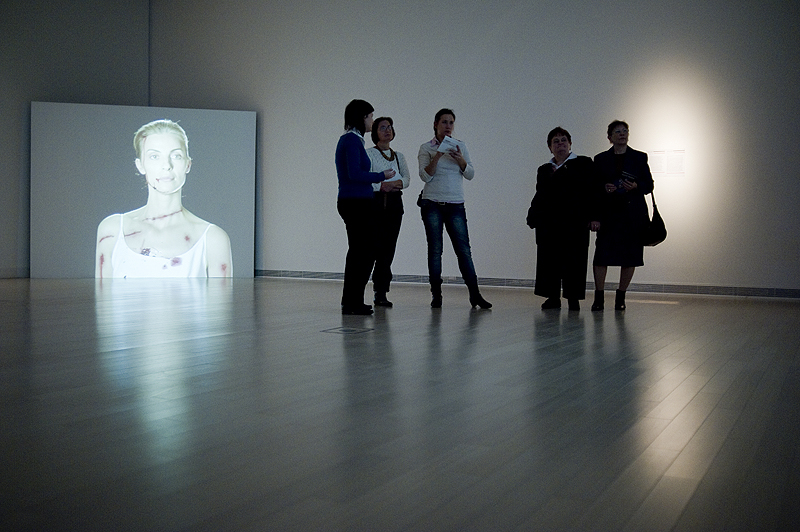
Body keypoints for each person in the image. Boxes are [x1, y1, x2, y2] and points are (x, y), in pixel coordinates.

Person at [95, 119, 232, 279]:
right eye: (154, 156)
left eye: (176, 156)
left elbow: (221, 296)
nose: (166, 165)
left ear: (188, 164)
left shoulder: (213, 239)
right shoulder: (111, 231)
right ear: (140, 165)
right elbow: (102, 294)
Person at [418, 108, 491, 309]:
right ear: (436, 124)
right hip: (432, 203)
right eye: (444, 122)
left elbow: (470, 174)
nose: (448, 126)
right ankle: (436, 295)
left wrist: (460, 159)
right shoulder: (426, 148)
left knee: (464, 250)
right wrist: (438, 156)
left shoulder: (461, 146)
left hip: (455, 204)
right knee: (435, 250)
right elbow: (425, 176)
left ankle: (475, 294)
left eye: (451, 122)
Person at [527, 127, 601, 310]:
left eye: (563, 140)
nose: (560, 144)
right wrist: (533, 215)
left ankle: (573, 298)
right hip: (549, 222)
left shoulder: (583, 163)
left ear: (570, 144)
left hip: (575, 221)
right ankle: (552, 297)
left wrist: (594, 217)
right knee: (549, 260)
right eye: (556, 141)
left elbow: (593, 191)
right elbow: (540, 194)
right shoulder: (544, 169)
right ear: (550, 147)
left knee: (574, 260)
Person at [336, 99, 396, 315]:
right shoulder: (352, 140)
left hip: (356, 201)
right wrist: (381, 175)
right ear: (362, 117)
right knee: (362, 253)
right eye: (370, 116)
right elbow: (354, 174)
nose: (372, 120)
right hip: (355, 202)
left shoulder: (352, 140)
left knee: (360, 252)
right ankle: (352, 301)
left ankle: (352, 301)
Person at [591, 120, 654, 311]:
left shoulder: (639, 157)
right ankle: (599, 297)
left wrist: (635, 186)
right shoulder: (601, 159)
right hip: (609, 214)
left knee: (630, 257)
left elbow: (649, 185)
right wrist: (604, 188)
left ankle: (621, 297)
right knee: (601, 256)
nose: (622, 134)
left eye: (625, 130)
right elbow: (594, 188)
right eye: (617, 131)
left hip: (632, 215)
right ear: (609, 137)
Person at [366, 117, 410, 308]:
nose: (387, 130)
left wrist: (395, 184)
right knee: (374, 248)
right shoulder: (369, 154)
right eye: (383, 127)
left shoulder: (399, 156)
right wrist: (381, 186)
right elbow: (367, 179)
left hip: (394, 205)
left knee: (388, 249)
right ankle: (364, 289)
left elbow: (406, 179)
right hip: (376, 205)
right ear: (375, 132)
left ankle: (381, 290)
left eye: (390, 127)